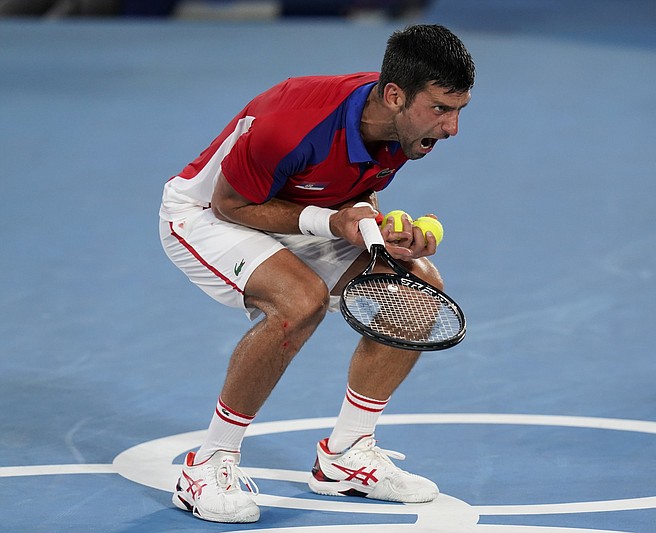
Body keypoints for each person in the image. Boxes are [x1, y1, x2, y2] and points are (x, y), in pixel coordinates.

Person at [158, 24, 475, 524]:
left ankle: (346, 455)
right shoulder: (294, 121)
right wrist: (333, 222)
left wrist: (377, 229)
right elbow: (230, 203)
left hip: (300, 213)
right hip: (207, 214)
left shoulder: (402, 130)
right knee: (299, 301)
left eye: (459, 110)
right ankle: (209, 463)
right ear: (395, 95)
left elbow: (352, 191)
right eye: (440, 109)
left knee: (417, 289)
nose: (452, 127)